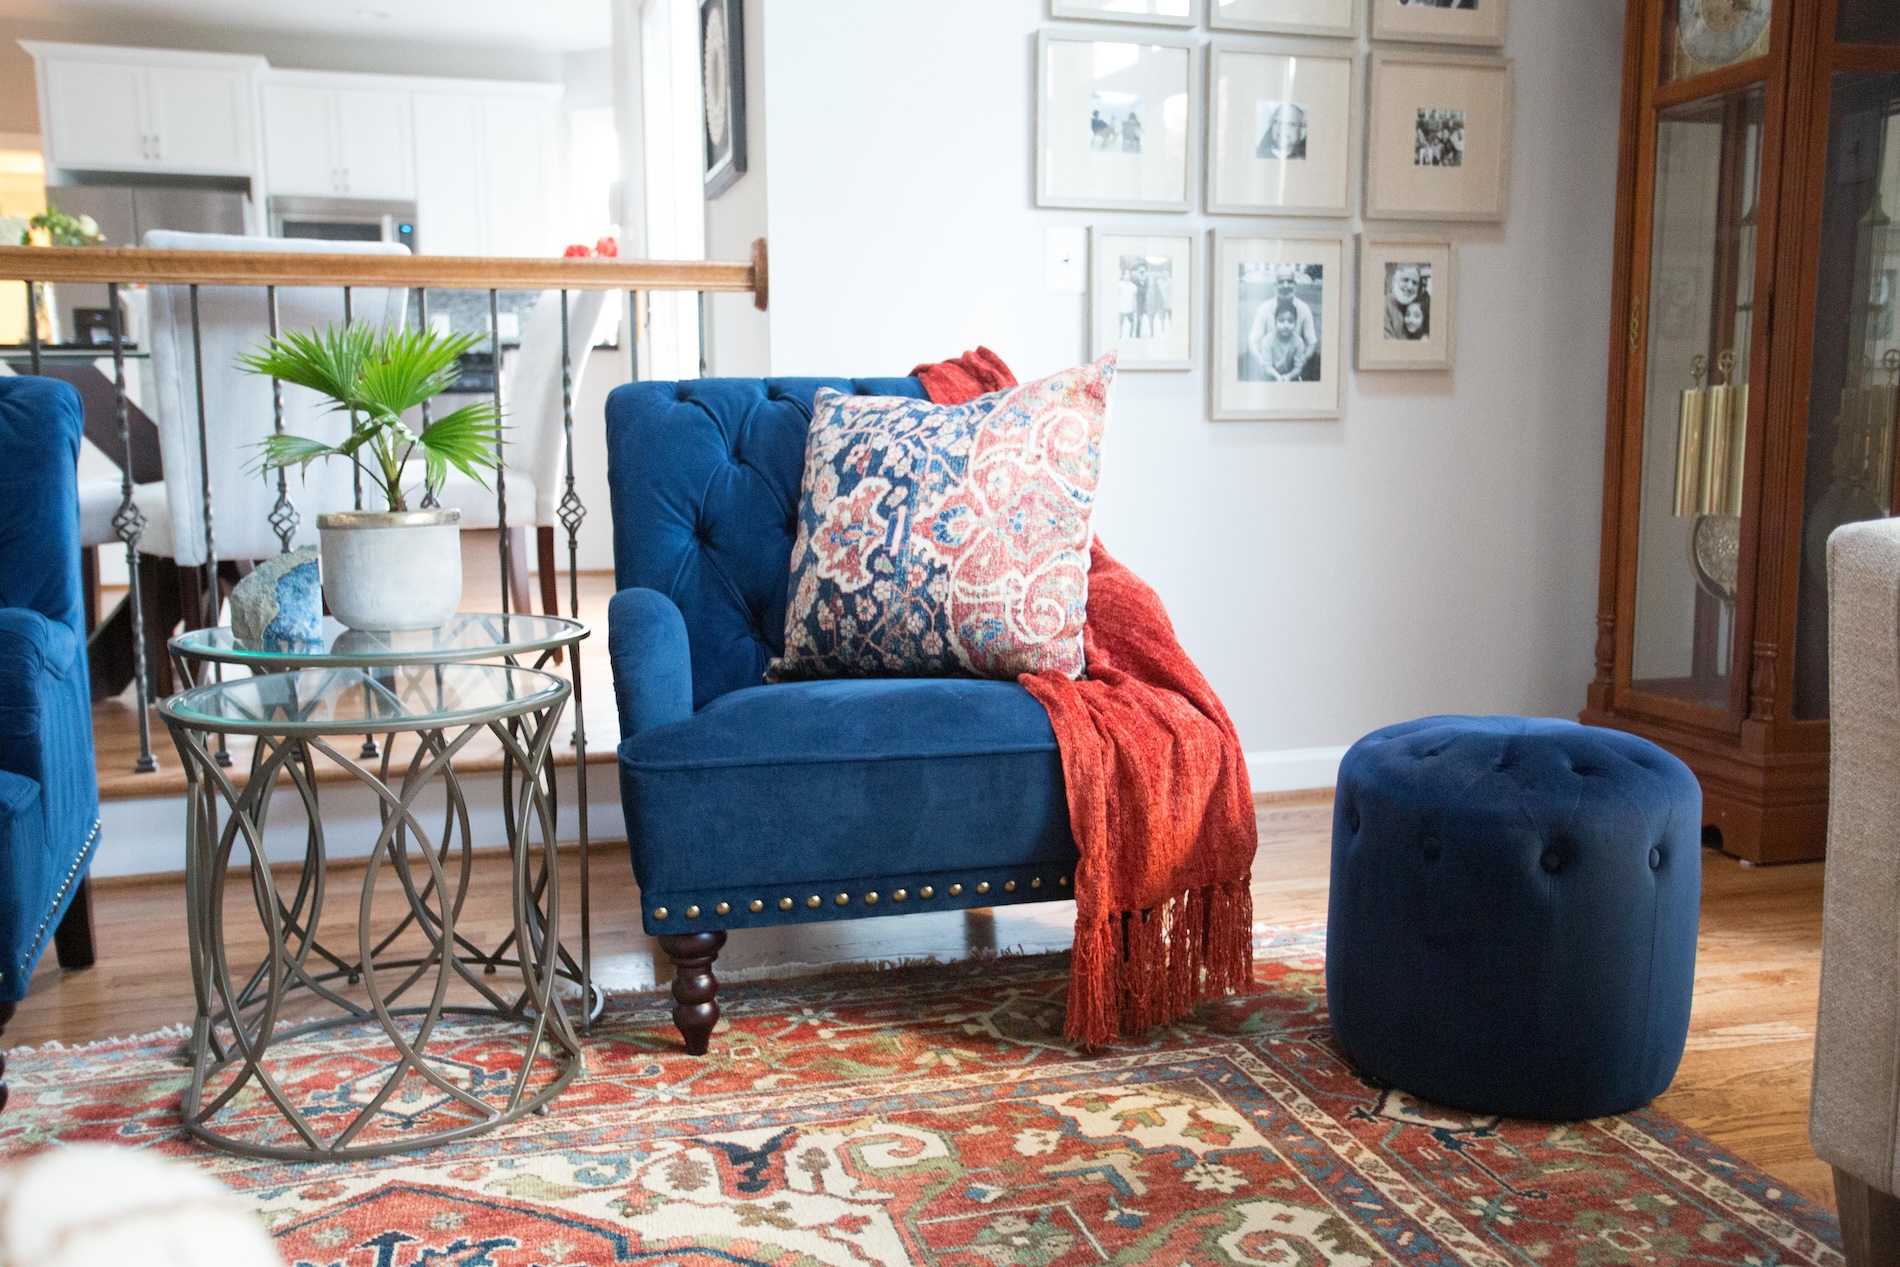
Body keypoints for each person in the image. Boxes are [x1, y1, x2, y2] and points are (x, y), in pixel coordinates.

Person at [1248, 265, 1318, 377]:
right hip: (1269, 361)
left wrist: (1301, 361)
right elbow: (1253, 342)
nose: (1285, 286)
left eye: (1289, 281)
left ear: (1295, 285)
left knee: (1317, 362)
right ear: (1275, 286)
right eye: (1281, 282)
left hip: (1294, 361)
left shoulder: (1304, 309)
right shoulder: (1264, 308)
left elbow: (1312, 343)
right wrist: (1262, 361)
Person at [1384, 265, 1427, 340]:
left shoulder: (1409, 305)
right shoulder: (1383, 306)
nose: (1410, 286)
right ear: (1394, 280)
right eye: (1405, 280)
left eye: (1414, 283)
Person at [1119, 262, 1142, 337]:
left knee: (1132, 323)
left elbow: (1134, 299)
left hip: (1130, 309)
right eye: (1126, 274)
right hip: (1121, 309)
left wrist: (1134, 308)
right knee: (1120, 324)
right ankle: (1120, 335)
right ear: (1123, 276)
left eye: (1128, 274)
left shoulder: (1133, 286)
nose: (1127, 276)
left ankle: (1130, 335)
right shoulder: (1119, 284)